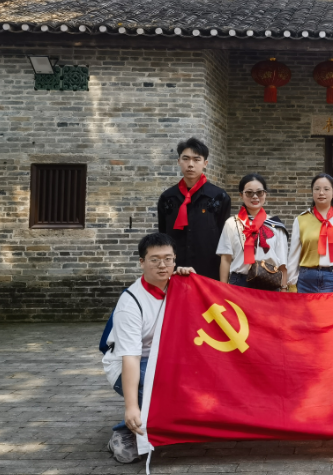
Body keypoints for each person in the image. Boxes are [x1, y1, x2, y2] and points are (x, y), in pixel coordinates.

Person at [102, 233, 194, 464]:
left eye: (168, 259)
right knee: (169, 388)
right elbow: (131, 358)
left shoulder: (180, 286)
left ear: (175, 260)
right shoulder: (131, 303)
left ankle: (147, 421)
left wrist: (194, 281)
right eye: (154, 259)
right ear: (141, 262)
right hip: (129, 365)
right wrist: (131, 407)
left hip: (165, 360)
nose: (162, 265)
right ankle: (125, 429)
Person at [157, 137, 231, 280]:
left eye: (196, 160)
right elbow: (163, 236)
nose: (190, 164)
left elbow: (224, 239)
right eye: (186, 159)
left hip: (209, 271)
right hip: (175, 271)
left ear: (205, 163)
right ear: (179, 161)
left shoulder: (219, 197)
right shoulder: (167, 198)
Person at [287, 173, 333, 293]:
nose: (321, 193)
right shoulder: (301, 220)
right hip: (306, 279)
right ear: (312, 192)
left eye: (326, 189)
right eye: (317, 189)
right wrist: (291, 282)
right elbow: (293, 255)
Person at [216, 173, 289, 290]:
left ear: (265, 194)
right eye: (249, 193)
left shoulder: (276, 225)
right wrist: (223, 289)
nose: (255, 197)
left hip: (269, 281)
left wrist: (284, 288)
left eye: (259, 192)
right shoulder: (232, 223)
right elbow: (225, 259)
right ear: (241, 195)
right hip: (239, 282)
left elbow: (283, 262)